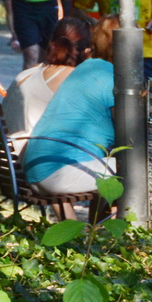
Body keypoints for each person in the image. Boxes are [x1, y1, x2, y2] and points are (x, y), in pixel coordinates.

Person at [18, 19, 118, 196]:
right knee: (141, 168)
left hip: (34, 170)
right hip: (60, 173)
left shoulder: (82, 70)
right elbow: (129, 129)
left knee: (118, 163)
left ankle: (101, 222)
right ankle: (127, 222)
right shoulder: (108, 73)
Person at [2, 17, 93, 155]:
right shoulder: (75, 79)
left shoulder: (26, 74)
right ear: (87, 52)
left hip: (5, 160)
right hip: (30, 167)